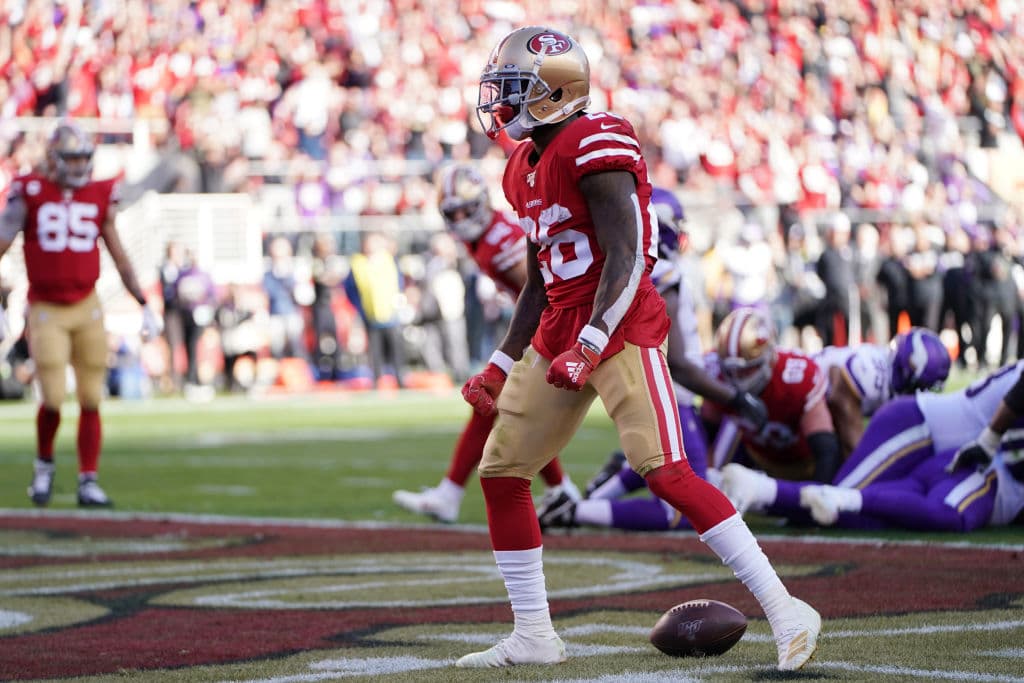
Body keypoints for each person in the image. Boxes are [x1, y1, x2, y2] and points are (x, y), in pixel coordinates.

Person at [454, 26, 819, 672]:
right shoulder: (521, 168)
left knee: (665, 470)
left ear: (557, 93)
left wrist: (591, 342)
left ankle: (786, 606)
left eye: (516, 91)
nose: (503, 104)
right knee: (503, 471)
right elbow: (541, 279)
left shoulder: (595, 141)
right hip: (561, 328)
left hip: (619, 324)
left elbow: (631, 255)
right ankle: (535, 635)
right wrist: (502, 361)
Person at [537, 187, 768, 532]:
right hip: (670, 395)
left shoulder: (629, 273)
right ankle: (574, 512)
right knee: (679, 510)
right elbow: (678, 363)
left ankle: (594, 496)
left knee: (662, 465)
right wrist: (735, 399)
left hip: (645, 387)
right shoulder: (665, 277)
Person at [392, 162, 580, 523]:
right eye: (453, 212)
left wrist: (531, 344)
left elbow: (543, 292)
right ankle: (559, 489)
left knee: (495, 403)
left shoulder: (497, 240)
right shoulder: (483, 236)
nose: (461, 217)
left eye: (466, 209)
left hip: (554, 328)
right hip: (546, 329)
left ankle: (456, 493)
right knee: (499, 407)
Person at [0, 120, 161, 507]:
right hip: (46, 307)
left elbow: (118, 252)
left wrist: (142, 301)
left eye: (82, 158)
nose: (77, 166)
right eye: (70, 158)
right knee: (53, 398)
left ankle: (88, 479)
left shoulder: (98, 193)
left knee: (91, 398)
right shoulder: (31, 191)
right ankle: (44, 468)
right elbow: (3, 239)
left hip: (88, 306)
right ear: (53, 159)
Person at [720, 361, 1024, 531]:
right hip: (918, 426)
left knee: (850, 511)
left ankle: (758, 491)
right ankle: (747, 488)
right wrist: (990, 439)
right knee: (839, 503)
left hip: (951, 453)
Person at [704, 307, 844, 484]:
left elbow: (826, 451)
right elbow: (705, 434)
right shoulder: (714, 371)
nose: (737, 378)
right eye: (730, 371)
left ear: (769, 357)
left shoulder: (796, 376)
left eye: (746, 370)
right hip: (756, 458)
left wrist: (818, 495)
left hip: (804, 465)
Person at [813, 327, 951, 459]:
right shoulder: (874, 370)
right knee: (832, 453)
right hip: (802, 400)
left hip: (814, 405)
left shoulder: (891, 379)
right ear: (904, 371)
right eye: (921, 386)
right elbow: (840, 400)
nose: (921, 394)